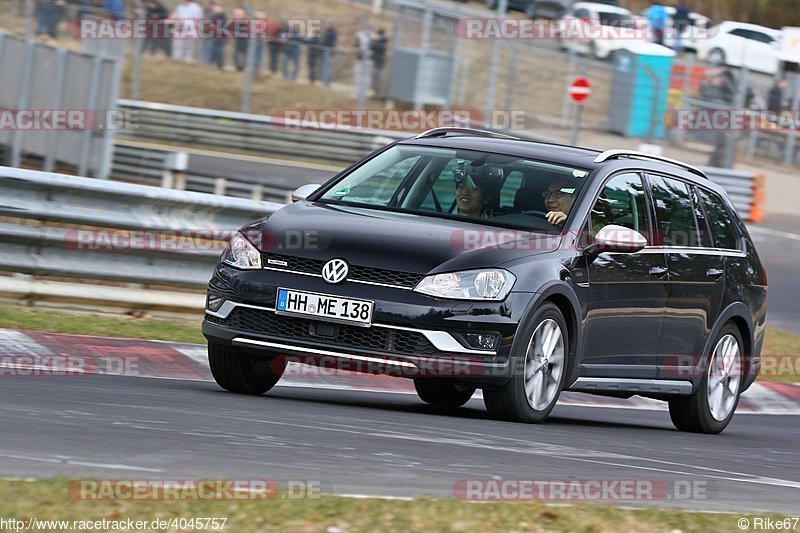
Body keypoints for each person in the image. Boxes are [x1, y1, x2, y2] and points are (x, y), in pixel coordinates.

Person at [370, 28, 388, 96]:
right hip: (377, 61)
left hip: (379, 62)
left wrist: (373, 40)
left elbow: (377, 47)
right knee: (375, 77)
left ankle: (378, 94)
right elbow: (372, 47)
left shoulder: (383, 41)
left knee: (377, 78)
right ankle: (376, 93)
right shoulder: (380, 41)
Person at [320, 20, 337, 87]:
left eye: (327, 24)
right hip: (325, 51)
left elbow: (331, 43)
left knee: (326, 68)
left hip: (328, 51)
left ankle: (326, 83)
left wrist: (322, 44)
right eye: (325, 24)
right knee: (325, 67)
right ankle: (326, 82)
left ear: (330, 24)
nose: (325, 25)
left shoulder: (333, 32)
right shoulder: (327, 31)